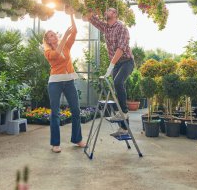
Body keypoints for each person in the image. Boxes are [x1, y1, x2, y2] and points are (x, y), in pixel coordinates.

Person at [88, 8, 134, 137]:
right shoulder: (106, 27)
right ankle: (124, 128)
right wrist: (87, 6)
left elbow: (120, 49)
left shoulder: (122, 28)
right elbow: (92, 19)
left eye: (109, 10)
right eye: (105, 10)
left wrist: (110, 67)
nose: (106, 11)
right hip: (117, 64)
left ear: (115, 14)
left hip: (126, 61)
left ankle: (124, 112)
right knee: (117, 90)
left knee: (118, 82)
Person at [43, 13, 85, 153]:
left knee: (76, 110)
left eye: (54, 34)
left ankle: (77, 138)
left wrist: (72, 14)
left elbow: (74, 30)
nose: (54, 36)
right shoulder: (48, 51)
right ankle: (55, 143)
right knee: (55, 112)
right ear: (48, 41)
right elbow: (57, 54)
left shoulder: (66, 45)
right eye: (50, 36)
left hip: (69, 81)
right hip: (55, 83)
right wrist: (65, 36)